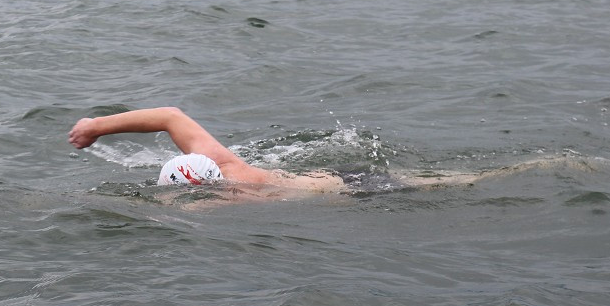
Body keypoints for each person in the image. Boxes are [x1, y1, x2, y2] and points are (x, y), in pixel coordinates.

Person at [68, 107, 578, 194]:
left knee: (459, 183)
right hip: (337, 174)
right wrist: (96, 126)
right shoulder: (224, 164)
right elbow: (171, 116)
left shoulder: (238, 192)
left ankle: (546, 165)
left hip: (361, 191)